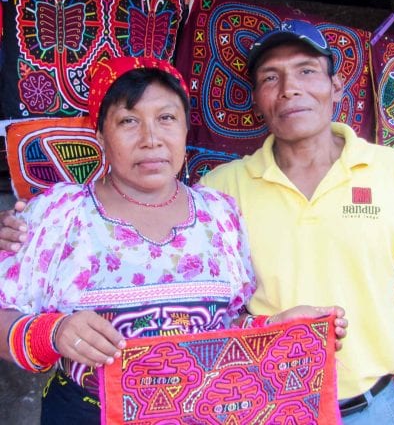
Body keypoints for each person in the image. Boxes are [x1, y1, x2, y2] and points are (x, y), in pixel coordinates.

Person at [0, 56, 346, 424]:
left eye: (166, 118)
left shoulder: (219, 214)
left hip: (202, 412)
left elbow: (226, 326)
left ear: (184, 130)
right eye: (128, 121)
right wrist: (53, 332)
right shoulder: (58, 214)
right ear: (100, 134)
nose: (151, 139)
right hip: (88, 414)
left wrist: (279, 329)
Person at [198, 20, 394, 424]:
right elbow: (203, 314)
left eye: (307, 71)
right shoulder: (220, 190)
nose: (290, 88)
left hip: (371, 409)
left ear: (337, 86)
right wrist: (266, 327)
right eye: (271, 78)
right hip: (261, 407)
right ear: (258, 99)